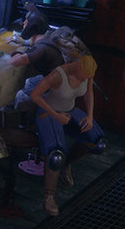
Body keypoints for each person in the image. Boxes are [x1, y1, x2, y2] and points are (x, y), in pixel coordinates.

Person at [28, 54, 104, 216]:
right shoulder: (58, 75)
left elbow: (88, 92)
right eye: (83, 77)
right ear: (78, 67)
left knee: (98, 143)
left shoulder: (87, 73)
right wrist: (56, 115)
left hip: (70, 111)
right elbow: (34, 95)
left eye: (88, 78)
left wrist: (90, 116)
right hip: (49, 113)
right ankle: (49, 197)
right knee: (56, 156)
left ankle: (66, 164)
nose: (85, 80)